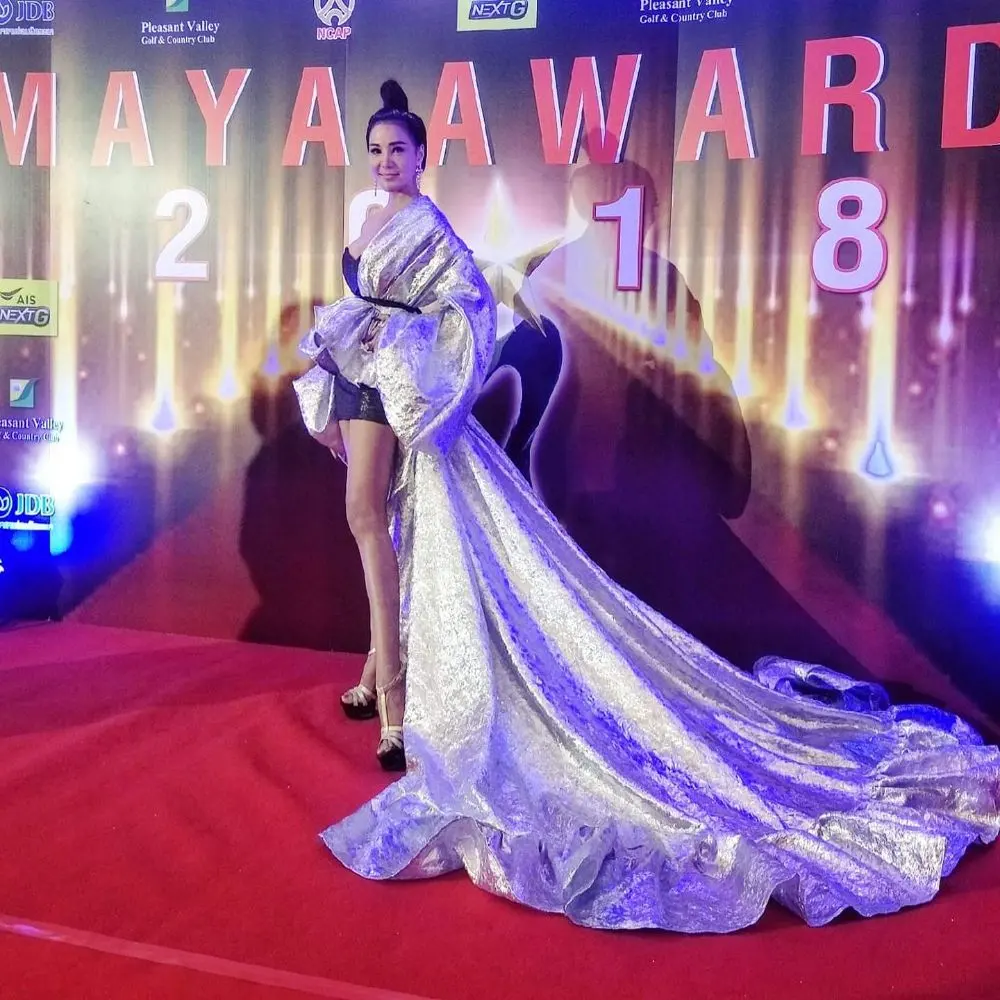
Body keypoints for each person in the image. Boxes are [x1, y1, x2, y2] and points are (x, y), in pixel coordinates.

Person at [293, 80, 1000, 932]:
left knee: (444, 555)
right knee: (379, 525)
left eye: (398, 151)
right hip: (387, 401)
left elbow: (477, 327)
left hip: (468, 427)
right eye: (376, 151)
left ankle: (404, 701)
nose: (385, 162)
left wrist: (412, 358)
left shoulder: (452, 236)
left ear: (420, 157)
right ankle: (382, 675)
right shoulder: (403, 228)